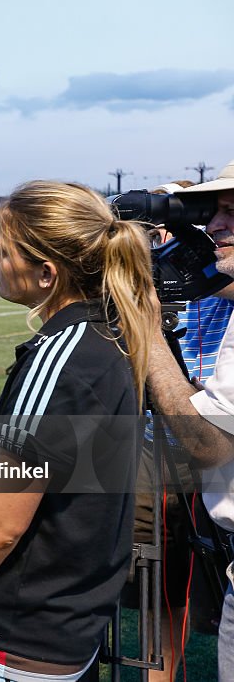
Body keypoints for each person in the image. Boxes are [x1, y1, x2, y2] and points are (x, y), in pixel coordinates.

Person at [0, 181, 157, 681]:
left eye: (3, 249)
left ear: (47, 274)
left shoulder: (63, 358)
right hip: (68, 623)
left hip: (26, 631)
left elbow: (1, 524)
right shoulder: (107, 334)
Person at [142, 160, 234, 682]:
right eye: (211, 212)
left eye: (227, 212)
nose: (215, 226)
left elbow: (209, 443)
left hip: (202, 448)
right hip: (164, 448)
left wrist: (148, 324)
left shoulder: (206, 271)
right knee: (162, 590)